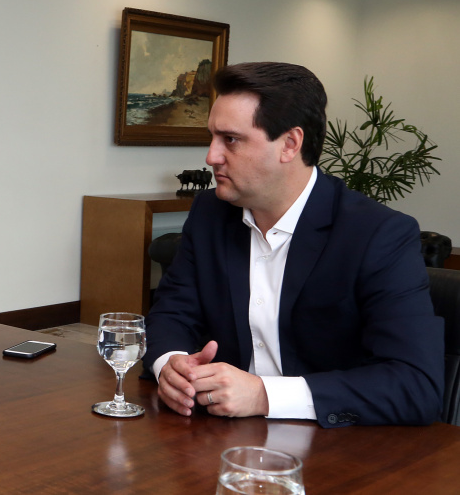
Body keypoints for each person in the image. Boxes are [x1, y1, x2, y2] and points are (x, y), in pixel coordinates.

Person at [143, 62, 444, 428]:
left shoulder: (378, 234)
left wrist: (263, 394)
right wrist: (170, 365)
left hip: (335, 443)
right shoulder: (210, 212)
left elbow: (416, 385)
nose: (211, 156)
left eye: (230, 140)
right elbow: (172, 313)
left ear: (289, 144)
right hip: (220, 435)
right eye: (212, 137)